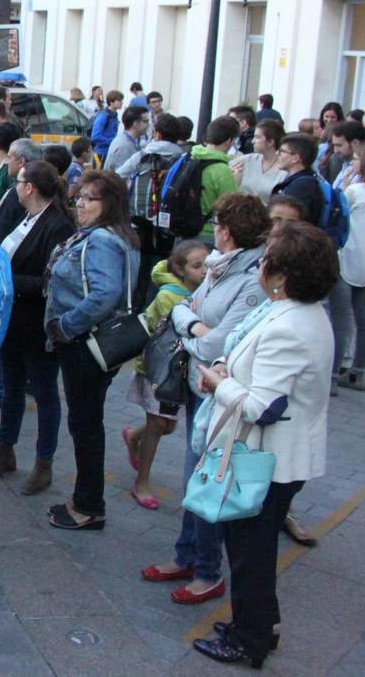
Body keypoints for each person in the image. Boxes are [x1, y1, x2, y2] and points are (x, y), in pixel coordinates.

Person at [190, 222, 336, 668]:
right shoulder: (291, 311)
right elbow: (245, 350)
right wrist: (223, 363)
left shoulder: (291, 325)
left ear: (282, 275)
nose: (259, 264)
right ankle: (259, 624)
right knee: (253, 549)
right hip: (274, 454)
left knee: (250, 554)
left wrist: (218, 383)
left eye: (266, 260)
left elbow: (261, 406)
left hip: (268, 458)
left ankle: (248, 639)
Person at [143, 193, 269, 601]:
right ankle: (188, 554)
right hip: (202, 384)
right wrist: (192, 324)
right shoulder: (219, 266)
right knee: (193, 474)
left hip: (221, 389)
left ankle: (208, 570)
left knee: (204, 477)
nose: (212, 229)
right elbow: (184, 308)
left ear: (227, 230)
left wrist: (192, 327)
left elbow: (216, 343)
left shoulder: (249, 279)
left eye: (216, 223)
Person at [43, 170, 139, 530]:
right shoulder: (115, 236)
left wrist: (66, 326)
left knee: (85, 424)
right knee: (86, 422)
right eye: (78, 197)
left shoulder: (102, 241)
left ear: (109, 204)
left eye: (88, 199)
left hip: (87, 343)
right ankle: (85, 498)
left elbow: (105, 293)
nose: (79, 205)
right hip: (94, 342)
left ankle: (88, 505)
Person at [0, 161, 75, 495]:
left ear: (29, 187)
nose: (15, 187)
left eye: (18, 182)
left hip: (36, 324)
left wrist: (5, 280)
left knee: (45, 392)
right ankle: (4, 448)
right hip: (12, 321)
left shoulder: (57, 226)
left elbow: (50, 281)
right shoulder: (25, 217)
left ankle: (43, 463)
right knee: (11, 387)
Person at [120, 240, 208, 508]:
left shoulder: (204, 291)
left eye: (207, 264)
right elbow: (151, 332)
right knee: (159, 425)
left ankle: (134, 435)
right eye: (197, 266)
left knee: (168, 425)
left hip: (179, 372)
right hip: (159, 370)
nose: (204, 270)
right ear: (180, 269)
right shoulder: (170, 296)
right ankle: (142, 482)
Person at [331, 151, 365, 392]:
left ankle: (332, 375)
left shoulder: (354, 191)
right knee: (363, 321)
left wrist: (341, 189)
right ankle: (358, 372)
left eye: (355, 158)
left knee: (340, 321)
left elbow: (339, 217)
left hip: (347, 258)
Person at [187, 116, 242, 244]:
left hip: (183, 229)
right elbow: (230, 206)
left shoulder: (190, 157)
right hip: (208, 233)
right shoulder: (222, 170)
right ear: (228, 141)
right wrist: (236, 181)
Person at [269, 133, 323, 227]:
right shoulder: (308, 180)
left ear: (295, 158)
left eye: (282, 151)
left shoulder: (300, 187)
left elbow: (291, 224)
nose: (276, 153)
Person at [230, 119, 285, 204]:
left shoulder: (284, 168)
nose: (252, 141)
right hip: (241, 213)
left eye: (257, 137)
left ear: (270, 142)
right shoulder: (245, 160)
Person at [103, 106, 149, 173]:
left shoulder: (127, 139)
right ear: (136, 124)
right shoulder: (125, 146)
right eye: (145, 121)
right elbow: (122, 177)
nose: (148, 124)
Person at [90, 90, 125, 162]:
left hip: (110, 152)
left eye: (122, 100)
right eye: (119, 100)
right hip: (101, 153)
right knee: (99, 173)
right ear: (111, 102)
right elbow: (95, 137)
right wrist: (113, 141)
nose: (122, 102)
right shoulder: (103, 115)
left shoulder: (114, 115)